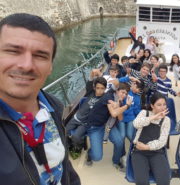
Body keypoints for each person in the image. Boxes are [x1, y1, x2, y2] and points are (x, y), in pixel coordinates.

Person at [0, 13, 80, 184]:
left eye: (40, 55)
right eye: (13, 51)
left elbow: (64, 168)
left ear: (50, 66)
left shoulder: (54, 107)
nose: (27, 65)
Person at [131, 92, 171, 185]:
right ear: (152, 105)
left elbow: (162, 141)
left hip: (156, 152)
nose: (163, 107)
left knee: (164, 182)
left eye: (164, 104)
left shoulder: (166, 120)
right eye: (159, 105)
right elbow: (136, 124)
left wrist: (147, 147)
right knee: (142, 182)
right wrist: (153, 117)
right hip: (139, 152)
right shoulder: (144, 113)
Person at [66, 77, 107, 146]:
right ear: (94, 88)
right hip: (76, 118)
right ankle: (69, 144)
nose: (100, 90)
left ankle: (80, 143)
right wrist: (92, 75)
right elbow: (89, 82)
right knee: (65, 131)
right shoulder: (90, 92)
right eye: (98, 88)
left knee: (76, 137)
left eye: (102, 88)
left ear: (105, 89)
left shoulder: (105, 98)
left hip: (85, 123)